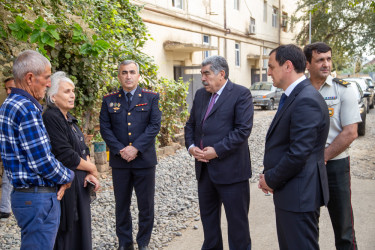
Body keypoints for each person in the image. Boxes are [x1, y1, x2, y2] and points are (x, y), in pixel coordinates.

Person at [0, 50, 74, 249]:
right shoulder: (27, 108)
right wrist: (68, 176)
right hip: (37, 198)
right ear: (30, 78)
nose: (49, 83)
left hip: (23, 196)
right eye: (47, 77)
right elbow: (42, 161)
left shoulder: (9, 104)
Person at [258, 44, 330, 250]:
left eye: (271, 66)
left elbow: (298, 153)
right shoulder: (295, 95)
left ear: (288, 66)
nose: (268, 72)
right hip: (292, 193)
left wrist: (270, 179)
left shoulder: (306, 99)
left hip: (300, 195)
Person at [184, 55, 253, 250]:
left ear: (221, 74)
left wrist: (217, 150)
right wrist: (191, 147)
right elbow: (190, 125)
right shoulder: (200, 95)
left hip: (232, 173)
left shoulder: (241, 94)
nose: (203, 78)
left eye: (206, 74)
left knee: (238, 227)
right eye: (202, 74)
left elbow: (242, 130)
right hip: (205, 173)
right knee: (209, 225)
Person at [304, 42, 361, 249]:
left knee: (344, 227)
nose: (326, 64)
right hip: (305, 167)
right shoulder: (298, 90)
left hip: (335, 165)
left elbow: (350, 132)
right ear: (307, 64)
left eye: (328, 58)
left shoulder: (343, 90)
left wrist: (323, 157)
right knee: (308, 225)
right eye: (320, 60)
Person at [99, 60, 162, 250]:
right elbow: (105, 128)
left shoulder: (151, 97)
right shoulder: (109, 99)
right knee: (122, 206)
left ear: (138, 76)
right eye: (124, 72)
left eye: (132, 72)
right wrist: (120, 149)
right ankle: (125, 245)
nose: (128, 76)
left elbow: (154, 126)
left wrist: (135, 148)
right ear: (119, 76)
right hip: (120, 162)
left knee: (146, 206)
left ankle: (143, 243)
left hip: (144, 161)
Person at [42, 71, 100, 250]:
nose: (73, 95)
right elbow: (66, 154)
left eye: (73, 91)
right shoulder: (51, 117)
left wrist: (90, 172)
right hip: (66, 185)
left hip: (80, 183)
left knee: (81, 233)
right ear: (53, 97)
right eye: (67, 91)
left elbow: (83, 148)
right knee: (69, 234)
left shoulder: (70, 119)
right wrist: (93, 168)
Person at [0, 77, 16, 219]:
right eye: (6, 89)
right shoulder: (4, 106)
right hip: (8, 149)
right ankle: (5, 208)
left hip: (18, 150)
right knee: (7, 180)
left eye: (10, 88)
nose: (8, 91)